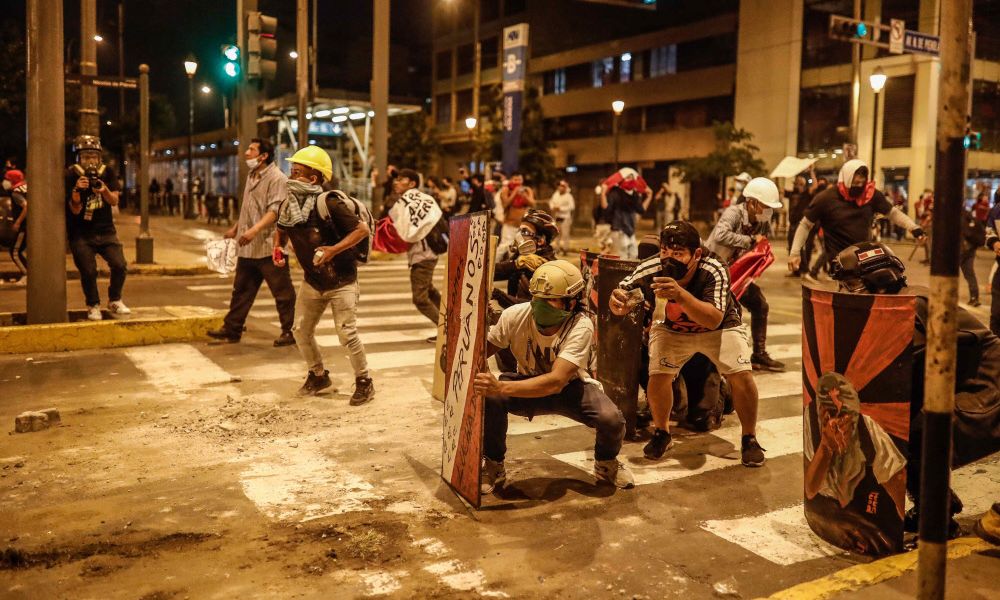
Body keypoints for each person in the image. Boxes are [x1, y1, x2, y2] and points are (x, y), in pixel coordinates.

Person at [830, 241, 1000, 536]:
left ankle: (935, 514)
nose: (845, 292)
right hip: (965, 384)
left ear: (878, 281)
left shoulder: (910, 307)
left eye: (849, 284)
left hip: (989, 390)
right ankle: (936, 505)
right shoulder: (895, 304)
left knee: (915, 431)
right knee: (908, 427)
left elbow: (903, 379)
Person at [611, 221, 766, 466]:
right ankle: (662, 432)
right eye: (665, 251)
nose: (668, 259)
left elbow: (713, 318)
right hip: (672, 329)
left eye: (678, 254)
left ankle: (749, 437)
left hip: (719, 327)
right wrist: (618, 302)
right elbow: (622, 293)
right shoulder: (651, 267)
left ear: (697, 254)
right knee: (658, 374)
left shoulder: (713, 268)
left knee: (741, 374)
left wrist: (680, 294)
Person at [475, 260, 635, 493]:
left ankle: (606, 463)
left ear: (571, 302)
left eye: (550, 300)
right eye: (537, 298)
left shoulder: (581, 326)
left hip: (570, 389)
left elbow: (557, 380)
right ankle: (493, 464)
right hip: (527, 385)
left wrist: (499, 387)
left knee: (611, 419)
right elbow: (480, 351)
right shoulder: (514, 316)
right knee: (490, 398)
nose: (541, 305)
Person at [274, 146, 375, 404]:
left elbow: (361, 230)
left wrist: (333, 250)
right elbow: (282, 227)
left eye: (297, 172)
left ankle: (364, 381)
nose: (291, 177)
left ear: (313, 179)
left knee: (347, 333)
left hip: (342, 280)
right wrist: (278, 247)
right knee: (300, 330)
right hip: (313, 281)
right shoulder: (289, 205)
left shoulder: (328, 202)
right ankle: (318, 375)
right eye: (291, 171)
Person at [207, 138, 297, 346]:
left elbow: (275, 211)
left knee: (282, 293)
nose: (246, 153)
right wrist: (236, 228)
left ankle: (290, 332)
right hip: (248, 248)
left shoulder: (277, 179)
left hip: (269, 246)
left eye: (251, 149)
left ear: (263, 156)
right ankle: (232, 329)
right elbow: (249, 208)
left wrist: (254, 231)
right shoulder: (252, 175)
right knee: (241, 291)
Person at [788, 159, 924, 275]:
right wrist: (794, 253)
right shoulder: (826, 198)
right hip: (840, 260)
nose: (858, 186)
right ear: (846, 179)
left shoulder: (870, 195)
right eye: (854, 183)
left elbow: (892, 213)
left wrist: (913, 227)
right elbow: (805, 224)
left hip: (866, 256)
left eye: (861, 183)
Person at [705, 177, 785, 371]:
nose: (769, 211)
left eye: (771, 207)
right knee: (721, 316)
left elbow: (758, 245)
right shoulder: (733, 213)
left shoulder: (763, 221)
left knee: (760, 305)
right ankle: (710, 361)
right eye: (765, 206)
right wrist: (749, 240)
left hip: (738, 274)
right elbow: (720, 235)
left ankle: (759, 354)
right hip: (714, 273)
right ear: (751, 203)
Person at [65, 135, 129, 321]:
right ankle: (93, 305)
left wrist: (104, 190)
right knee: (88, 270)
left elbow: (115, 200)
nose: (91, 161)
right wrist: (77, 190)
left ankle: (115, 299)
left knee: (120, 265)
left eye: (94, 156)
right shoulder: (71, 175)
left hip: (106, 230)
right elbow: (75, 210)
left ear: (99, 157)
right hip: (81, 233)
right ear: (78, 158)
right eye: (86, 157)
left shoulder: (107, 172)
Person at [394, 169, 443, 334]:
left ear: (412, 183)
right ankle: (451, 316)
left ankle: (447, 330)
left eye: (401, 179)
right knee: (429, 290)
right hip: (427, 253)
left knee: (420, 299)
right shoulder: (423, 199)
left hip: (423, 255)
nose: (396, 182)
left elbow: (407, 233)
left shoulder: (411, 202)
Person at [493, 209, 559, 307]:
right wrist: (515, 264)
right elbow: (494, 273)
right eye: (519, 231)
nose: (519, 236)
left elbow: (530, 307)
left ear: (540, 240)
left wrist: (497, 294)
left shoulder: (545, 266)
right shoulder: (524, 258)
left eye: (525, 232)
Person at [601, 168, 652, 259]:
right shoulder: (615, 193)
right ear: (622, 180)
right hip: (618, 230)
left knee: (634, 256)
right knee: (621, 258)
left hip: (631, 231)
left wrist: (649, 195)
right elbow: (606, 209)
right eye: (628, 177)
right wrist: (603, 194)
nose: (631, 180)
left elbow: (641, 210)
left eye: (632, 178)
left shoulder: (634, 194)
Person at [785, 171, 817, 275]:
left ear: (803, 184)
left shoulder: (807, 193)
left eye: (799, 183)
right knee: (791, 247)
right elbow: (780, 191)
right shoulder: (792, 193)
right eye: (796, 183)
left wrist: (812, 172)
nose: (797, 185)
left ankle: (804, 268)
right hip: (792, 223)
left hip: (801, 225)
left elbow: (815, 186)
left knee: (800, 248)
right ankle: (796, 271)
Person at [499, 172, 535, 251]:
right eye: (516, 180)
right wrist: (515, 192)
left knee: (523, 248)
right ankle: (496, 263)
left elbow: (532, 203)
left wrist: (524, 196)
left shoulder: (527, 190)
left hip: (523, 225)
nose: (518, 182)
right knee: (504, 247)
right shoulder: (506, 190)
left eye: (520, 180)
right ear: (511, 180)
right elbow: (505, 204)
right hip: (509, 224)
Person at [4, 170, 28, 278]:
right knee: (18, 251)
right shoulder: (25, 187)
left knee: (15, 252)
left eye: (8, 179)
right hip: (29, 225)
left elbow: (26, 206)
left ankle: (27, 275)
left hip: (23, 227)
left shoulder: (16, 192)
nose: (5, 182)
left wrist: (18, 222)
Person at [961, 207, 985, 307]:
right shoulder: (969, 214)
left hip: (959, 250)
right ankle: (974, 298)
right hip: (971, 249)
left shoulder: (955, 214)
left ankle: (944, 295)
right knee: (970, 274)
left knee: (946, 273)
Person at [548, 180, 575, 255]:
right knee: (557, 234)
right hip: (557, 217)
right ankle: (557, 248)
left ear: (565, 187)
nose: (560, 187)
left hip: (565, 217)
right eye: (559, 186)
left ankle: (565, 249)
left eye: (562, 186)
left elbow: (572, 206)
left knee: (565, 234)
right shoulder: (555, 194)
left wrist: (561, 208)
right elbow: (551, 202)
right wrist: (553, 207)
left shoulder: (569, 196)